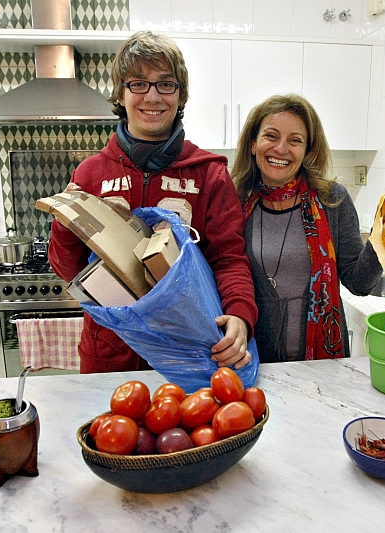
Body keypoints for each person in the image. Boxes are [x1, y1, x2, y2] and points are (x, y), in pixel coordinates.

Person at [49, 31, 257, 373]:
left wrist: (239, 314)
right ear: (121, 93)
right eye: (139, 84)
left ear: (180, 94)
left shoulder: (209, 175)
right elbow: (70, 271)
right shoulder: (90, 174)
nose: (153, 97)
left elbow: (229, 258)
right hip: (109, 356)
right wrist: (65, 220)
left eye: (166, 84)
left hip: (190, 353)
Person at [231, 94, 385, 362]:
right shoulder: (236, 201)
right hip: (252, 359)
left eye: (295, 140)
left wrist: (381, 234)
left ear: (307, 150)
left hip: (322, 362)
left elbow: (359, 283)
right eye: (271, 136)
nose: (281, 149)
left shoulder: (332, 200)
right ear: (252, 143)